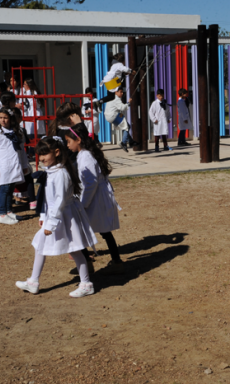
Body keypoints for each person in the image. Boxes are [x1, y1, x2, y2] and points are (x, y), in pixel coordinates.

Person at [15, 136, 97, 298]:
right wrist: (44, 216)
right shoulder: (53, 171)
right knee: (40, 245)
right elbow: (49, 198)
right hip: (56, 216)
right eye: (40, 154)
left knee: (75, 250)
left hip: (65, 217)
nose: (42, 158)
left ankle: (86, 284)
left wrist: (50, 224)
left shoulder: (60, 174)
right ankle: (33, 281)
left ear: (57, 152)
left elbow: (59, 200)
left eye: (45, 154)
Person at [66, 123, 124, 271]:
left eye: (69, 141)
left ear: (78, 140)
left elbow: (91, 183)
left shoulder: (85, 156)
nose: (67, 145)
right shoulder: (86, 153)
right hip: (96, 198)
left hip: (94, 200)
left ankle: (87, 264)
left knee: (80, 229)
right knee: (102, 231)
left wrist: (83, 204)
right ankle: (115, 261)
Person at [0, 92, 30, 225]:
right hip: (3, 165)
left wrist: (24, 164)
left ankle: (9, 211)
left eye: (5, 117)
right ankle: (2, 213)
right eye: (0, 117)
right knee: (4, 189)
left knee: (11, 188)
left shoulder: (16, 133)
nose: (3, 120)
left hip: (14, 164)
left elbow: (21, 151)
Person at [104, 87, 138, 152]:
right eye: (120, 92)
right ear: (116, 92)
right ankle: (123, 143)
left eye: (122, 92)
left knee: (126, 126)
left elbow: (121, 108)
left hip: (108, 116)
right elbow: (122, 107)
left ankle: (130, 141)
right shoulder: (116, 99)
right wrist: (128, 103)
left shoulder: (112, 98)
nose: (122, 93)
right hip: (113, 115)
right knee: (127, 127)